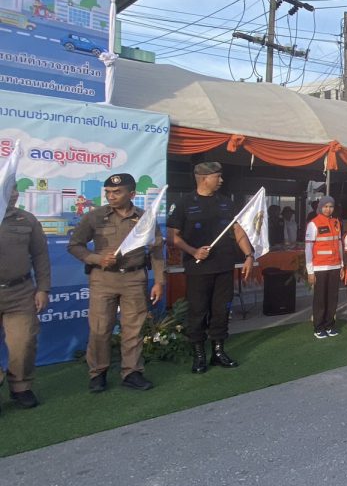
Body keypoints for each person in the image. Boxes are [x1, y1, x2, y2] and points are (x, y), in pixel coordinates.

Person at [67, 174, 164, 393]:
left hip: (134, 279)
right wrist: (97, 259)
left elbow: (157, 250)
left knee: (133, 329)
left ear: (132, 194)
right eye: (108, 192)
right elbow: (74, 245)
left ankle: (132, 372)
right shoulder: (94, 217)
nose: (111, 196)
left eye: (117, 192)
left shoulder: (145, 218)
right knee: (100, 329)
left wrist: (159, 281)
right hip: (103, 279)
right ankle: (98, 373)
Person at [167, 162, 255, 374]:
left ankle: (218, 352)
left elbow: (238, 230)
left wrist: (249, 255)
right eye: (218, 176)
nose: (221, 180)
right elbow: (172, 236)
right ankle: (199, 355)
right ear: (204, 178)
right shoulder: (184, 203)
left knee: (221, 311)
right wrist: (193, 251)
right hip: (198, 269)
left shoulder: (226, 203)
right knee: (197, 312)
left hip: (224, 266)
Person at [0, 186, 50, 412]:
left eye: (15, 189)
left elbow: (40, 255)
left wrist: (43, 289)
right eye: (6, 188)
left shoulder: (27, 220)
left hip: (20, 292)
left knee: (23, 344)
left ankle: (20, 387)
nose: (12, 194)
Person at [305, 197, 342, 339]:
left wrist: (342, 265)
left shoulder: (336, 222)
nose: (328, 209)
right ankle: (319, 327)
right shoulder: (313, 224)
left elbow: (339, 244)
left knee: (332, 298)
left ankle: (330, 325)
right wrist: (310, 271)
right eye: (325, 206)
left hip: (335, 266)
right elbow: (308, 249)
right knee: (320, 298)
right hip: (320, 267)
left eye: (331, 206)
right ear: (320, 207)